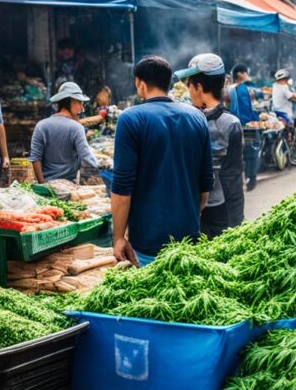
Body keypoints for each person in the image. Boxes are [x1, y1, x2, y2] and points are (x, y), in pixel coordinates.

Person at [111, 56, 214, 266]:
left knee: (155, 297)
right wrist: (189, 216)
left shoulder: (130, 119)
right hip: (189, 237)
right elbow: (205, 185)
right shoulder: (197, 117)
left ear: (139, 83)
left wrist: (118, 237)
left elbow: (122, 189)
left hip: (149, 240)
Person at [179, 54, 244, 237]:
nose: (188, 91)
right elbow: (234, 175)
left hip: (194, 209)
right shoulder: (232, 123)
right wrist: (237, 221)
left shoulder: (186, 121)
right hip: (222, 207)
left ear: (199, 87)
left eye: (189, 85)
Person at [29, 82, 98, 183]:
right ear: (72, 101)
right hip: (69, 185)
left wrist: (42, 184)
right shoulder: (77, 128)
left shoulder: (41, 126)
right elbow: (86, 156)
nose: (82, 108)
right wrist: (107, 167)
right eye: (80, 103)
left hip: (46, 185)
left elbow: (35, 158)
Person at [225, 65, 260, 191]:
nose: (247, 75)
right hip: (247, 125)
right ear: (240, 74)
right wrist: (256, 120)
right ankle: (251, 179)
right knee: (251, 152)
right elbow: (247, 109)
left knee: (238, 153)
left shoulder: (229, 89)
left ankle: (240, 181)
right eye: (245, 73)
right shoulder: (243, 88)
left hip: (233, 125)